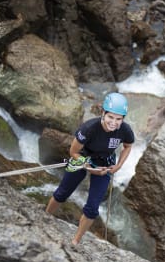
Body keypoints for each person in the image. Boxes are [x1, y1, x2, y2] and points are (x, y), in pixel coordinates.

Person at [45, 92, 134, 245]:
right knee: (62, 193)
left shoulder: (124, 130)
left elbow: (128, 146)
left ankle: (75, 241)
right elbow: (73, 152)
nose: (114, 122)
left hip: (105, 163)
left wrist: (118, 165)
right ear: (103, 113)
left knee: (92, 208)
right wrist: (89, 166)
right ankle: (44, 218)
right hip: (82, 158)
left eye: (118, 119)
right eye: (110, 117)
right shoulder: (89, 128)